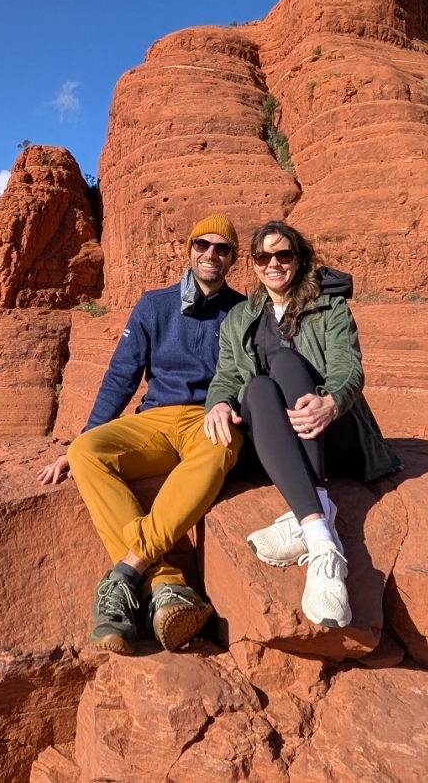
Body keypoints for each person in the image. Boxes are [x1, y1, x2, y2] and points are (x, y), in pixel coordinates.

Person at [37, 213, 246, 654]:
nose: (211, 254)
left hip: (206, 419)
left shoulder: (243, 312)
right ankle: (164, 583)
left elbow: (251, 375)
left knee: (223, 443)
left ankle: (124, 579)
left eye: (221, 248)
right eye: (202, 245)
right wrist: (79, 441)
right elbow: (121, 375)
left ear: (232, 259)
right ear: (189, 251)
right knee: (87, 452)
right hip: (153, 419)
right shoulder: (155, 304)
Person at [203, 220, 401, 628]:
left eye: (283, 255)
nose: (273, 264)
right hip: (277, 442)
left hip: (333, 433)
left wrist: (330, 402)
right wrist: (218, 403)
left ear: (298, 259)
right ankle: (319, 524)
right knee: (256, 386)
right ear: (254, 264)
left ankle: (312, 533)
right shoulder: (240, 317)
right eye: (263, 256)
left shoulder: (330, 306)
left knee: (288, 362)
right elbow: (226, 376)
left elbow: (350, 370)